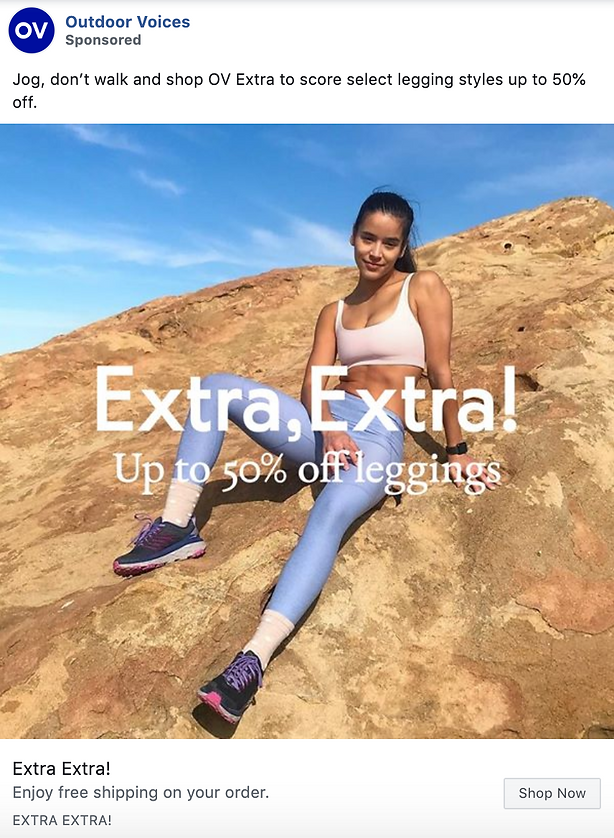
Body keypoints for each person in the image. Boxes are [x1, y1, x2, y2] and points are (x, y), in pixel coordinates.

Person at [113, 190, 495, 724]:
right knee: (216, 387)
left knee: (329, 511)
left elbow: (441, 371)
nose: (376, 252)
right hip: (324, 425)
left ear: (403, 246)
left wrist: (457, 451)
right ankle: (177, 527)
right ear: (352, 237)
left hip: (379, 436)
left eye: (389, 243)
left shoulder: (422, 287)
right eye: (368, 239)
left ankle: (251, 662)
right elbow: (313, 384)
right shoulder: (334, 311)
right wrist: (330, 427)